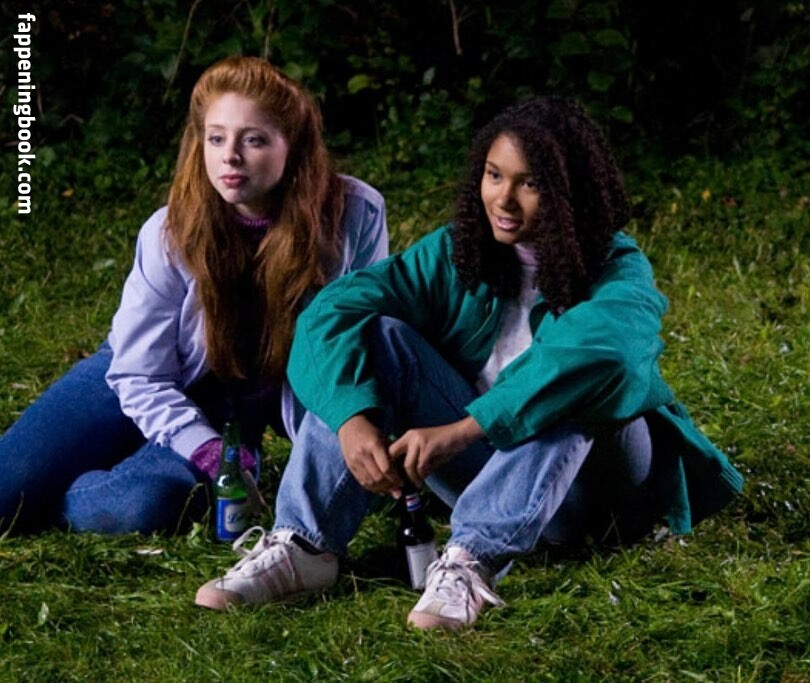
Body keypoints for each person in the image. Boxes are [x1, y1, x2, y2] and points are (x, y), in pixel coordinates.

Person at [195, 96, 743, 630]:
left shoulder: (617, 266)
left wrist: (463, 430)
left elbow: (605, 357)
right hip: (494, 474)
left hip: (594, 495)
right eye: (494, 175)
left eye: (530, 183)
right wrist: (350, 418)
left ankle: (470, 561)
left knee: (577, 382)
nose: (504, 199)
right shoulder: (459, 250)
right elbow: (332, 312)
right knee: (380, 334)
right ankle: (305, 545)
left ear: (570, 191)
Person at [0, 56, 388, 535]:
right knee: (5, 490)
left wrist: (335, 439)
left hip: (236, 407)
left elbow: (354, 340)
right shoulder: (168, 231)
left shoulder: (354, 216)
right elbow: (139, 374)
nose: (230, 157)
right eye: (216, 138)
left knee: (139, 506)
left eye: (254, 140)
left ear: (294, 146)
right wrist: (203, 450)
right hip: (141, 374)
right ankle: (65, 471)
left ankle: (68, 494)